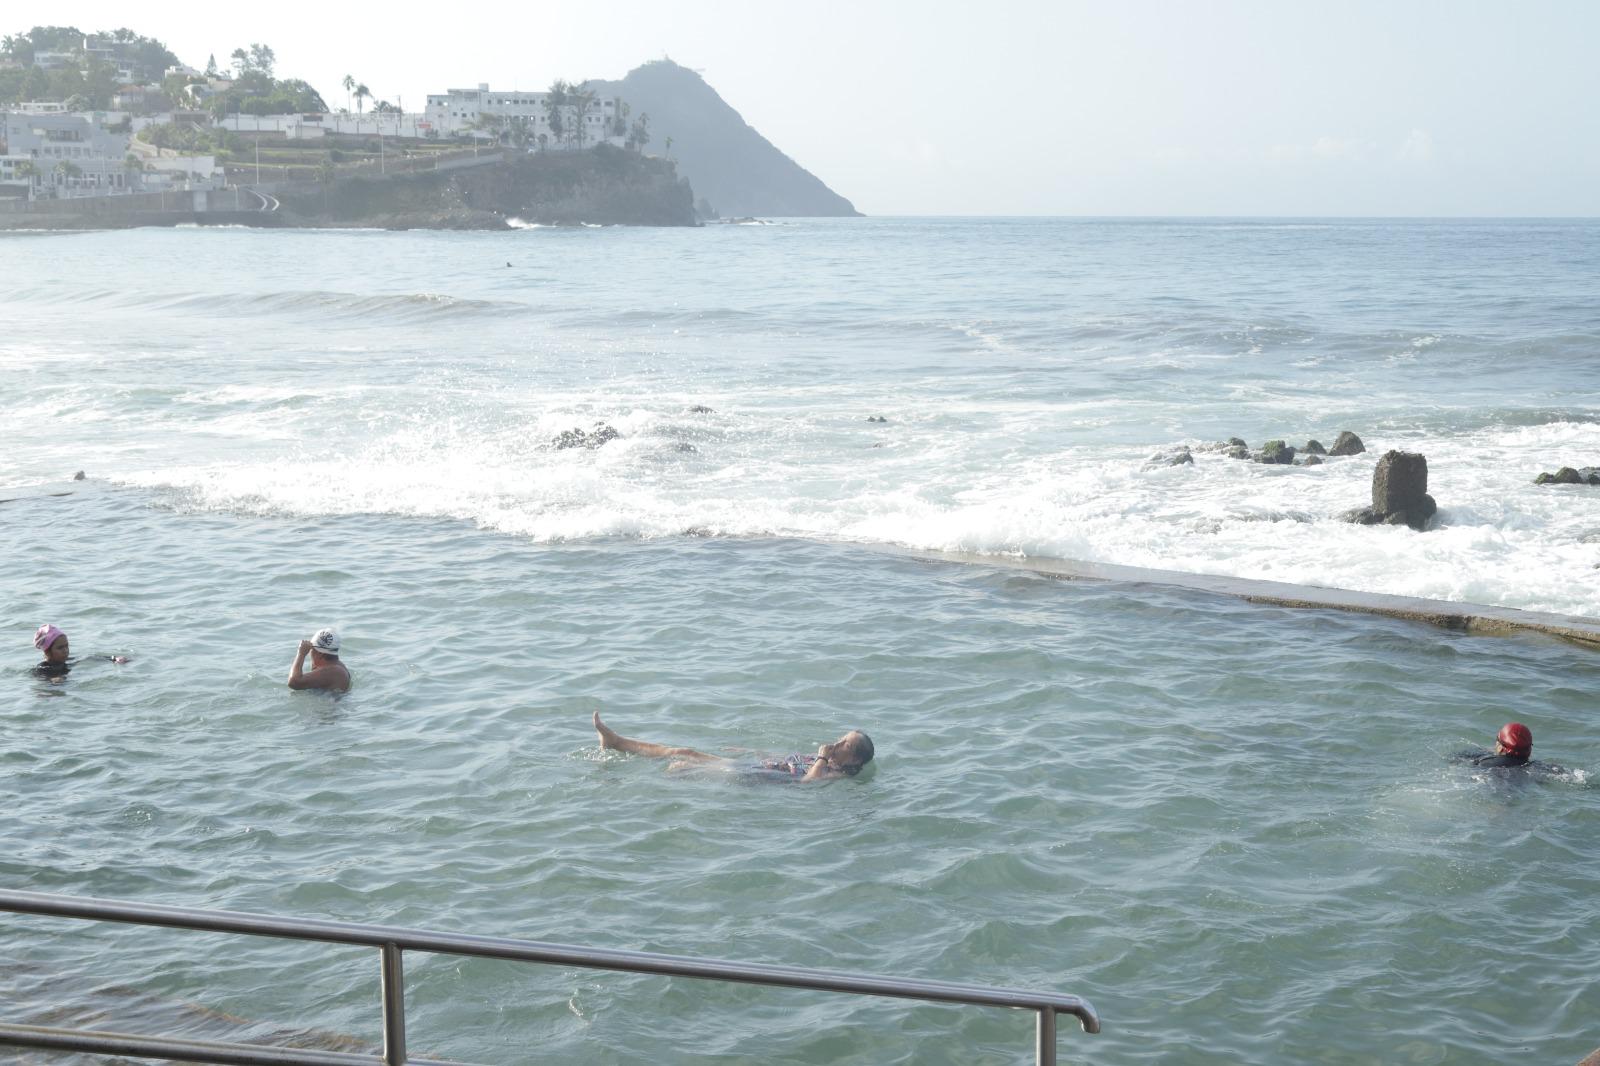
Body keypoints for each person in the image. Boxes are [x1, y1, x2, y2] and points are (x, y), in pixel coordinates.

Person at [593, 711, 874, 782]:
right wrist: (755, 753)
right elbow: (789, 761)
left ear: (855, 761)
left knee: (678, 769)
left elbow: (808, 785)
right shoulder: (826, 760)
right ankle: (616, 742)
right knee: (684, 752)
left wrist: (822, 759)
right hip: (755, 766)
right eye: (841, 737)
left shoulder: (837, 773)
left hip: (755, 779)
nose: (837, 743)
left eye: (845, 744)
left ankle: (629, 775)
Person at [32, 623, 128, 678]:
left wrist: (113, 658)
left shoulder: (68, 660)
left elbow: (89, 658)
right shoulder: (42, 669)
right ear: (47, 651)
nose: (65, 650)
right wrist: (52, 681)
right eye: (60, 648)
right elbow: (42, 682)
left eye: (66, 646)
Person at [288, 627, 351, 693]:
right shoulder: (337, 667)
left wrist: (301, 654)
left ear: (320, 653)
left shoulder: (333, 671)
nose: (309, 653)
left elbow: (294, 682)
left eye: (311, 649)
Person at [1453, 722, 1534, 768]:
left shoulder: (1482, 762)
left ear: (1500, 747)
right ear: (1529, 750)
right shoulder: (1537, 768)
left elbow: (1453, 759)